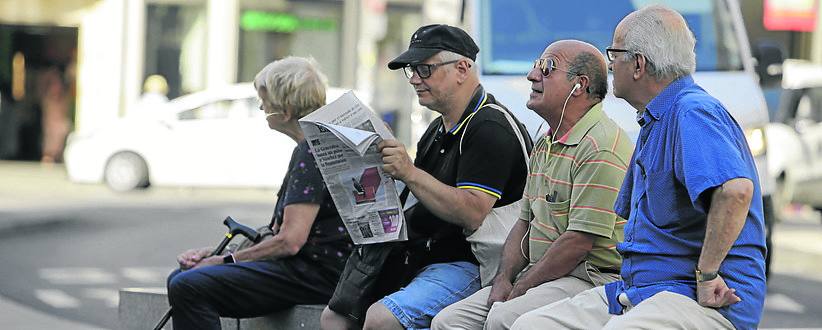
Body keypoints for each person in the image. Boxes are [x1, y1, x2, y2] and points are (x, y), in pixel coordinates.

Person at [510, 5, 767, 330]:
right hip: (643, 290)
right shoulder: (657, 117)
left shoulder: (691, 112)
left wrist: (708, 273)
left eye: (614, 53)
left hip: (701, 299)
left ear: (638, 64)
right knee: (527, 325)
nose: (609, 64)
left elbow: (736, 190)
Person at [321, 24, 530, 330]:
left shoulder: (489, 128)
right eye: (411, 70)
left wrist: (409, 172)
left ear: (462, 69)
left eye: (424, 69)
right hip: (423, 252)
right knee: (335, 318)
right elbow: (422, 195)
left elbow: (472, 213)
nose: (415, 79)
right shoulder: (437, 128)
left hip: (474, 263)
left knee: (381, 319)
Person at [431, 40, 633, 330]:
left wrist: (522, 286)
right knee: (447, 322)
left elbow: (577, 243)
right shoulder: (547, 140)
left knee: (503, 319)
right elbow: (524, 223)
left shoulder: (600, 147)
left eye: (547, 68)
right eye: (535, 66)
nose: (532, 75)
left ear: (579, 85)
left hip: (588, 276)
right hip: (543, 272)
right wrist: (503, 278)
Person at [166, 57, 353, 330]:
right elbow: (282, 234)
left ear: (286, 111)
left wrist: (223, 260)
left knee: (187, 285)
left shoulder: (311, 151)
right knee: (182, 277)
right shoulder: (324, 142)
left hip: (315, 274)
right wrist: (219, 253)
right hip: (322, 269)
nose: (261, 106)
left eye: (264, 99)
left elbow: (290, 241)